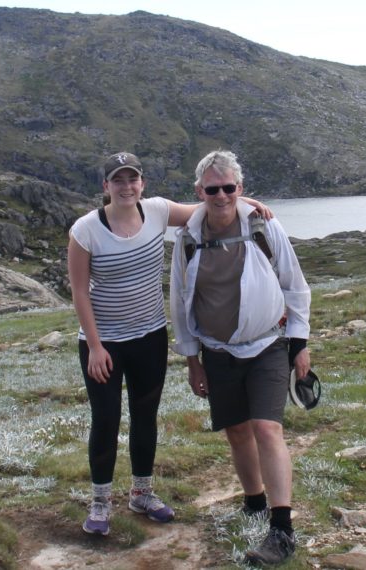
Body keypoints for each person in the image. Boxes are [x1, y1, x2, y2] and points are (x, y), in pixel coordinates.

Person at [67, 151, 271, 536]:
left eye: (133, 179)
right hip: (104, 342)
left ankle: (142, 492)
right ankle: (100, 502)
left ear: (142, 183)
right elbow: (79, 292)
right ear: (105, 186)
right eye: (118, 180)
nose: (126, 187)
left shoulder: (158, 211)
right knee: (106, 419)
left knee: (145, 417)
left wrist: (245, 201)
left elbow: (206, 206)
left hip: (149, 336)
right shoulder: (86, 230)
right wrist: (94, 346)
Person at [169, 150, 311, 564]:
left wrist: (299, 343)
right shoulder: (189, 239)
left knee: (267, 429)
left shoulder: (264, 225)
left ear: (240, 188)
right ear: (199, 192)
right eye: (212, 189)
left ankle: (281, 529)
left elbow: (295, 283)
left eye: (229, 188)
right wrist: (192, 358)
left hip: (269, 345)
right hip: (217, 351)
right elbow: (181, 302)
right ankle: (254, 501)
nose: (221, 195)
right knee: (236, 431)